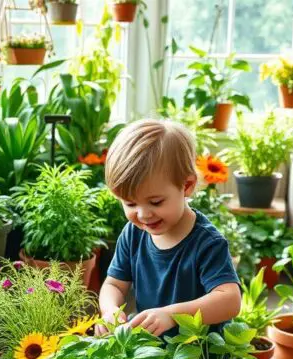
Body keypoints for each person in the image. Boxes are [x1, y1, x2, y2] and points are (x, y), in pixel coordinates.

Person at [96, 118, 242, 338]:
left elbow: (230, 300)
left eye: (156, 202)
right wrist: (110, 311)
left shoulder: (206, 242)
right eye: (130, 203)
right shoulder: (133, 234)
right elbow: (114, 285)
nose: (143, 214)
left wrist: (172, 315)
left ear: (187, 186)